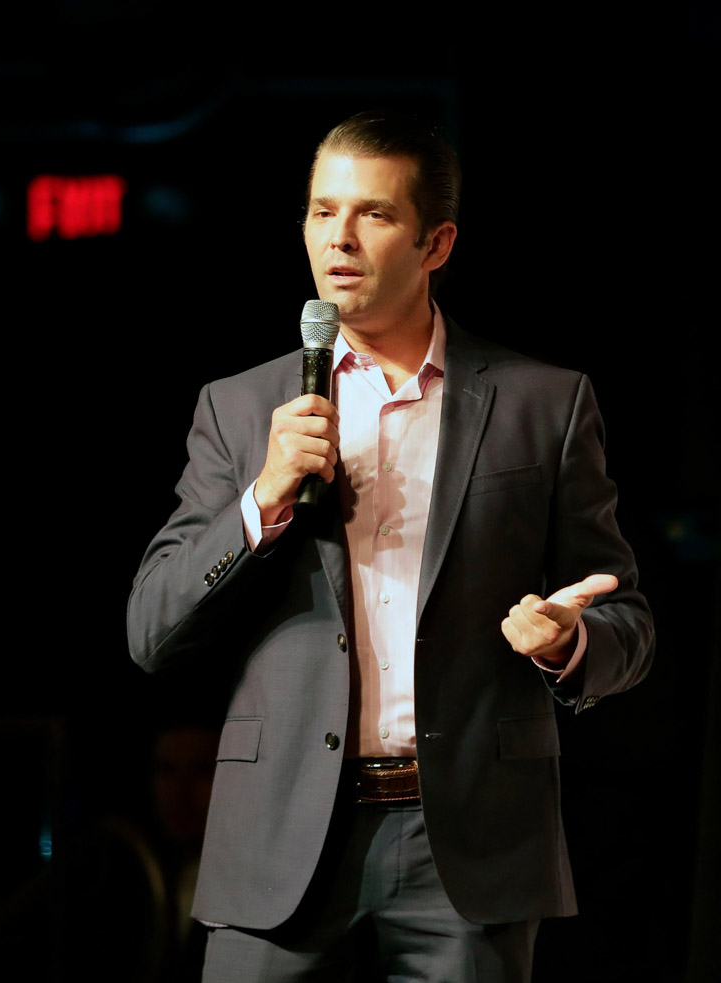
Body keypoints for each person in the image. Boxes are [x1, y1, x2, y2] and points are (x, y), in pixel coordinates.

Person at [127, 111, 655, 983]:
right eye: (320, 211)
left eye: (372, 214)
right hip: (281, 830)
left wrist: (572, 640)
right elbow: (152, 630)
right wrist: (261, 499)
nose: (338, 237)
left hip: (467, 840)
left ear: (436, 241)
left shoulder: (543, 402)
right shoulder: (237, 407)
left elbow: (627, 614)